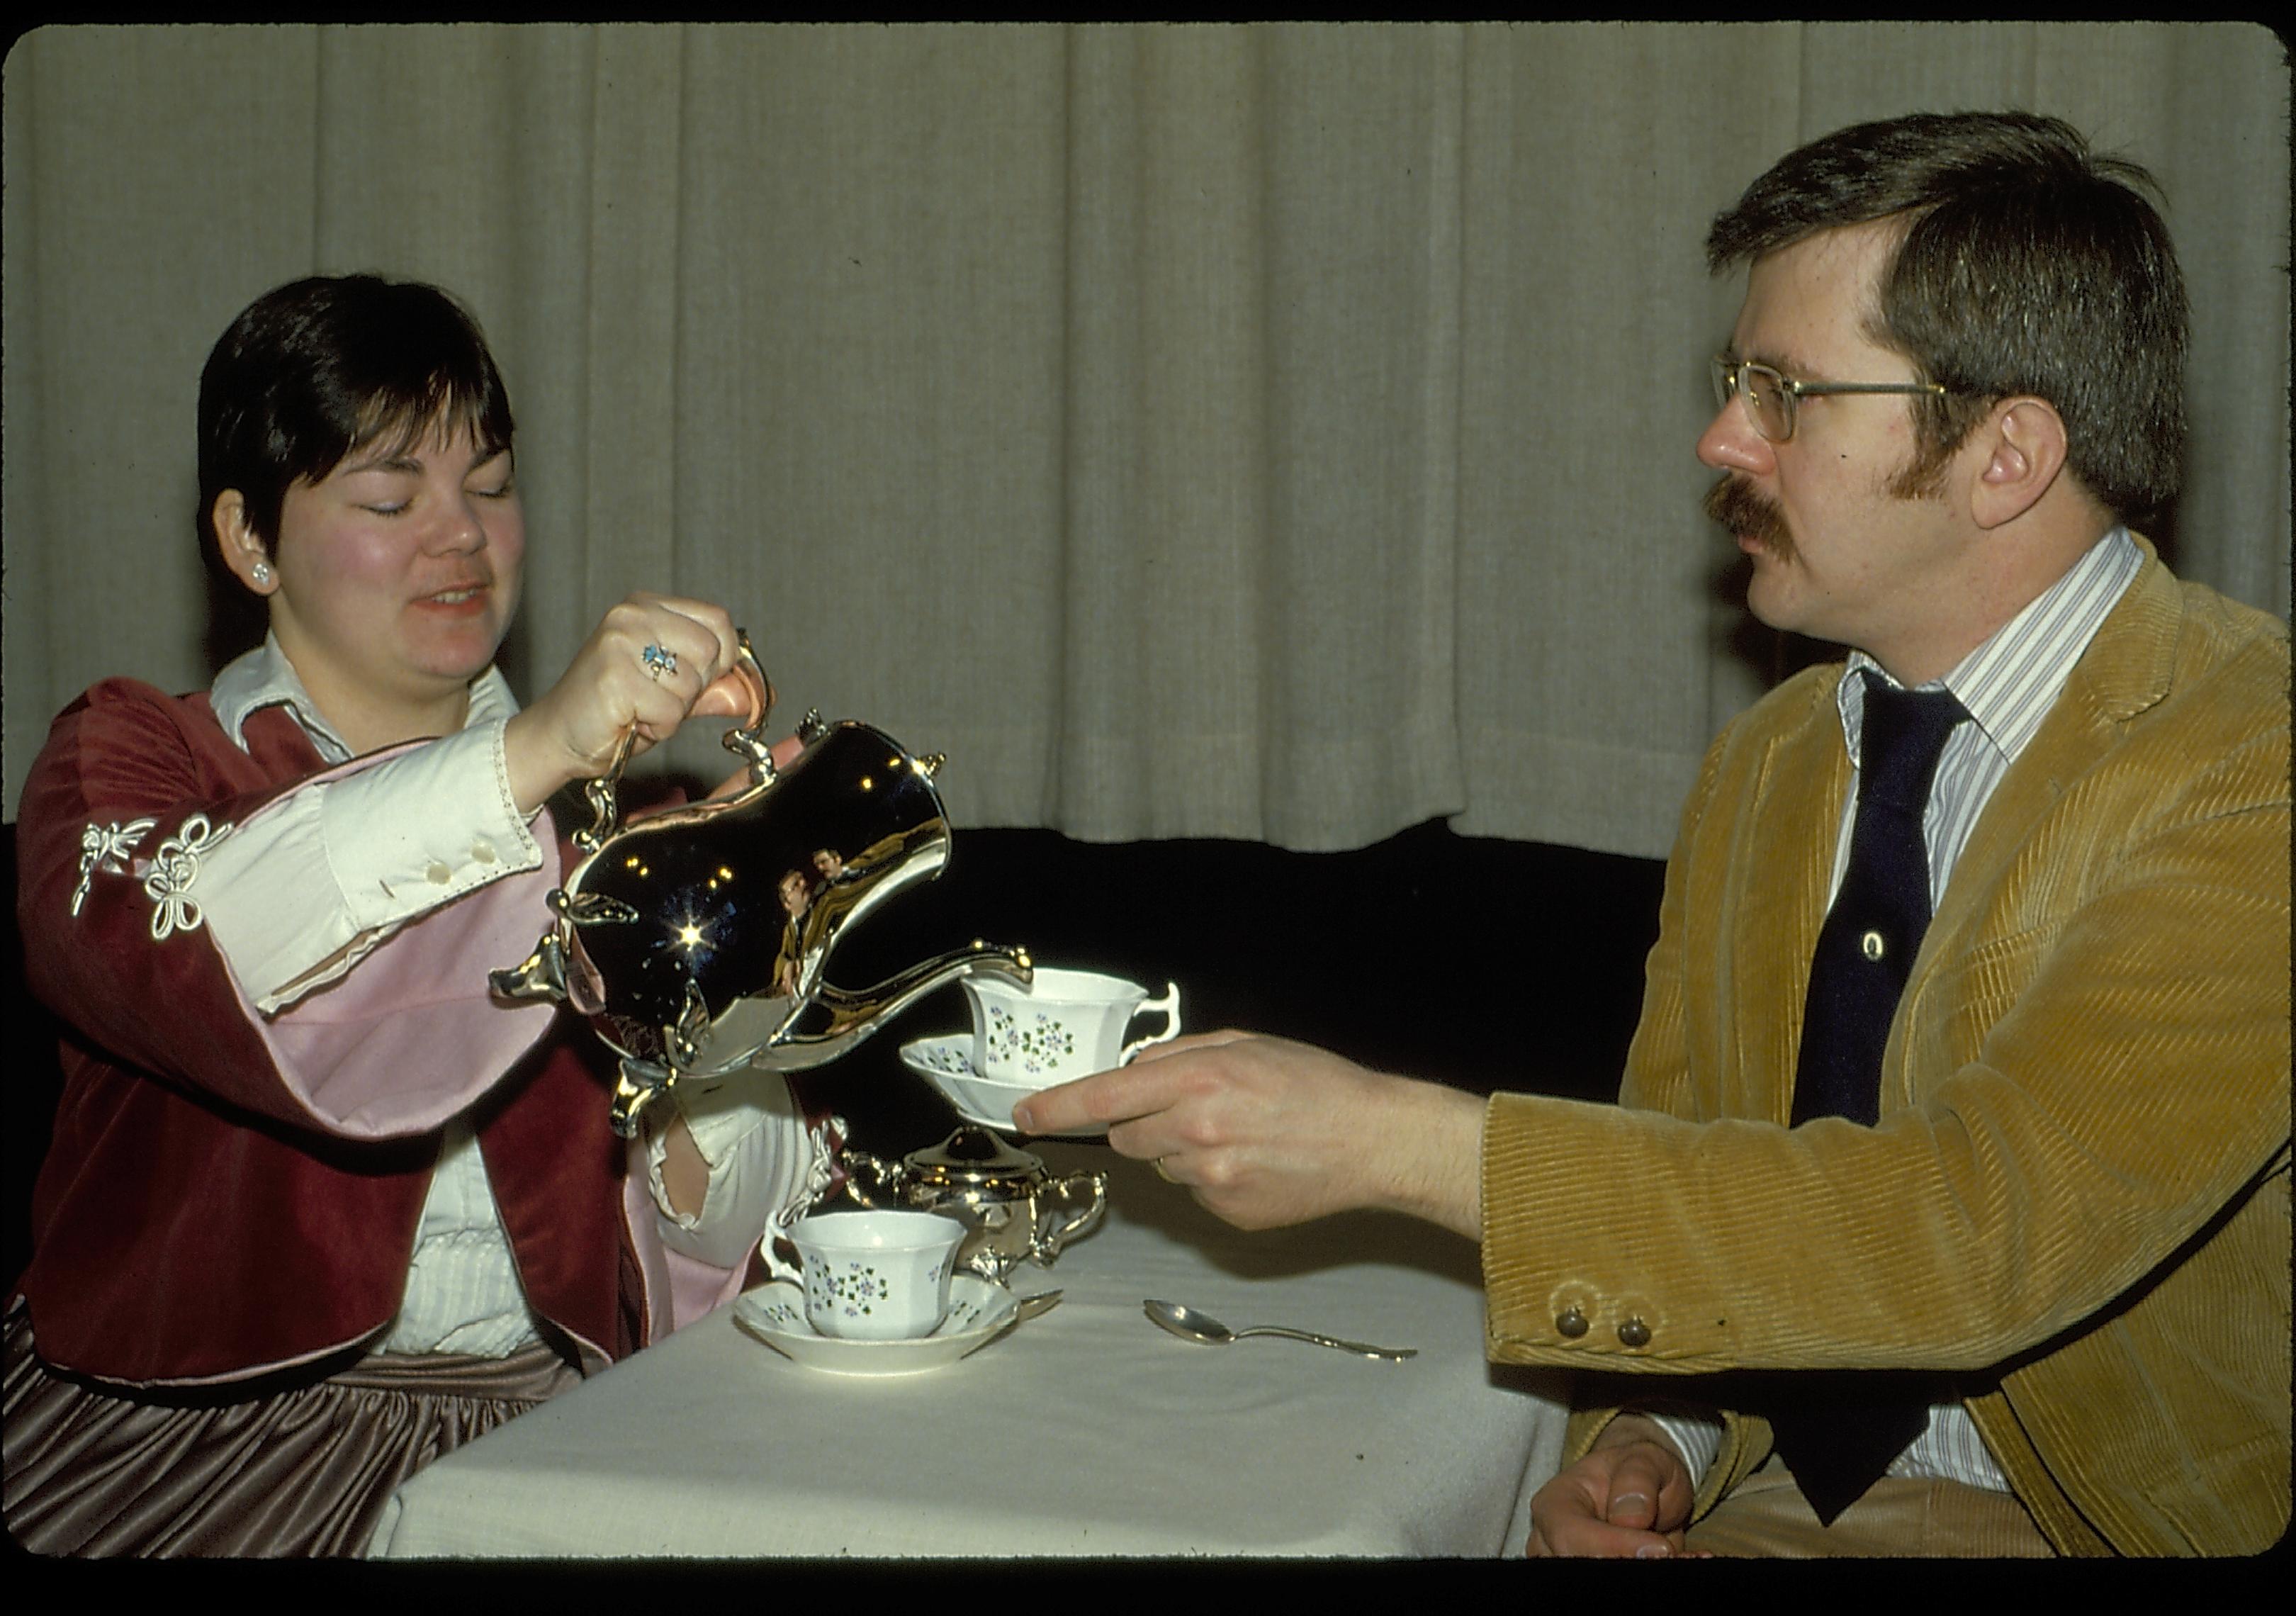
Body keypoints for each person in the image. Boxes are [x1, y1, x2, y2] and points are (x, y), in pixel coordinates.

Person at [1014, 111, 2290, 1557]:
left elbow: (1976, 1236)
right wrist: (1655, 1431)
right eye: (1734, 380)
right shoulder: (1770, 765)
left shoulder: (2253, 763)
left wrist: (1407, 1148)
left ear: (2005, 456)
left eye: (1786, 393)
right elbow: (1700, 1156)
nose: (1723, 438)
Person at [4, 274, 829, 1556]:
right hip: (206, 1445)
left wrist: (695, 1119)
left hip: (552, 1430)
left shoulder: (633, 811)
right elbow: (233, 946)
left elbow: (769, 1207)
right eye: (392, 499)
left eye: (490, 487)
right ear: (250, 540)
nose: (465, 538)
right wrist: (538, 752)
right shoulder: (128, 761)